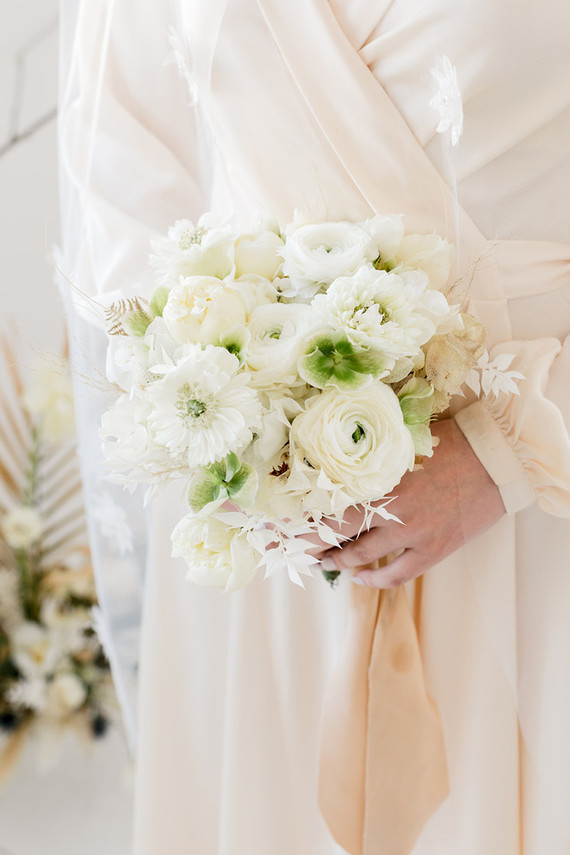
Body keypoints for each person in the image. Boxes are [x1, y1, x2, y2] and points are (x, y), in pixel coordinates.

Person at [59, 0, 570, 853]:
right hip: (272, 514)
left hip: (535, 502)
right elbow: (117, 169)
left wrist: (512, 445)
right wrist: (211, 406)